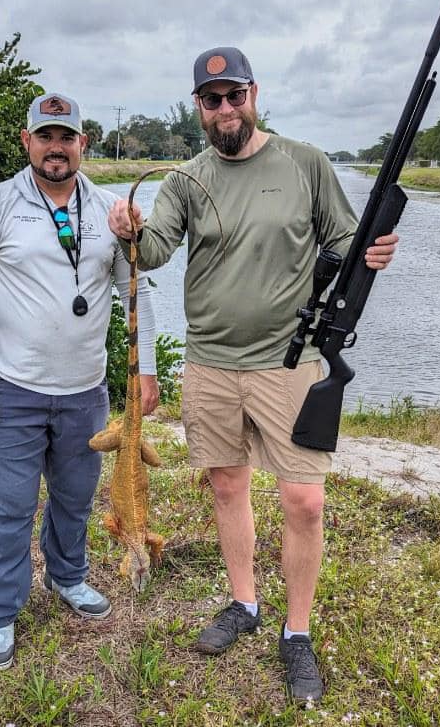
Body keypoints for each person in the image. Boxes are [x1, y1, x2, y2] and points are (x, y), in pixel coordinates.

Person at [107, 48, 398, 702]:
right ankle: (244, 603)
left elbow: (348, 242)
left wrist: (375, 250)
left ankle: (296, 633)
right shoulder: (183, 179)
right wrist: (128, 228)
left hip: (289, 359)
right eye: (211, 99)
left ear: (252, 93)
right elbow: (151, 251)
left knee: (304, 499)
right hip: (210, 359)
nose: (224, 108)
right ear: (198, 108)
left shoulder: (304, 162)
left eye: (233, 94)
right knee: (226, 485)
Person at [0, 92, 159, 672]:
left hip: (85, 394)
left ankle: (68, 578)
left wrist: (149, 372)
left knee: (73, 498)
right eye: (46, 136)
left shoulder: (115, 210)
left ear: (83, 145)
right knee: (7, 508)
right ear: (27, 141)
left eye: (67, 138)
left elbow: (134, 288)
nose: (56, 148)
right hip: (10, 390)